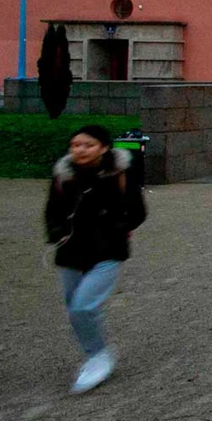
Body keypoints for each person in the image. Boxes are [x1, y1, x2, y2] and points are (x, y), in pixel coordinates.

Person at [42, 124, 146, 394]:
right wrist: (56, 231)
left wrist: (117, 226)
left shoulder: (120, 173)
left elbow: (137, 211)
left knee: (83, 307)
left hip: (107, 251)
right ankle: (96, 350)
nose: (81, 150)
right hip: (70, 252)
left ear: (103, 147)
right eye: (76, 145)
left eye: (88, 145)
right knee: (76, 309)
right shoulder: (63, 175)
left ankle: (98, 356)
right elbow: (52, 209)